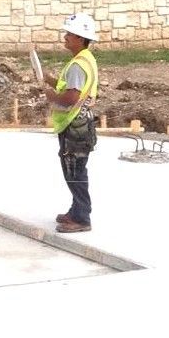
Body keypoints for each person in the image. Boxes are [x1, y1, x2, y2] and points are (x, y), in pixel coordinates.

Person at [48, 13, 100, 233]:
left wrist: (51, 96)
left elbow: (70, 97)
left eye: (69, 33)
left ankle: (82, 218)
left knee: (75, 171)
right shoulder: (84, 59)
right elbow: (68, 86)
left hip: (74, 126)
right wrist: (49, 80)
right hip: (79, 124)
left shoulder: (78, 65)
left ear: (80, 38)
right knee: (75, 170)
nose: (65, 37)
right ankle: (77, 210)